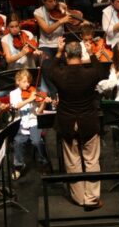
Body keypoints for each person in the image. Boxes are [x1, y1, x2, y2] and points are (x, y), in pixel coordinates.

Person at [44, 38, 109, 208]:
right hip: (88, 121)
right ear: (81, 55)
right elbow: (102, 72)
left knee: (72, 161)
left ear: (66, 55)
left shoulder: (60, 74)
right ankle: (91, 199)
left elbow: (49, 71)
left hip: (67, 121)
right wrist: (92, 53)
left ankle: (79, 198)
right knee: (91, 160)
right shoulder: (90, 73)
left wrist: (58, 53)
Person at [9, 69, 52, 179]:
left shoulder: (34, 92)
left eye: (29, 82)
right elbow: (15, 106)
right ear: (18, 81)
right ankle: (18, 166)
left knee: (37, 142)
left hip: (33, 121)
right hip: (20, 122)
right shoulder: (13, 93)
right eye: (24, 82)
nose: (27, 84)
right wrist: (29, 99)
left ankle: (44, 163)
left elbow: (38, 112)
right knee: (18, 142)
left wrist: (43, 103)